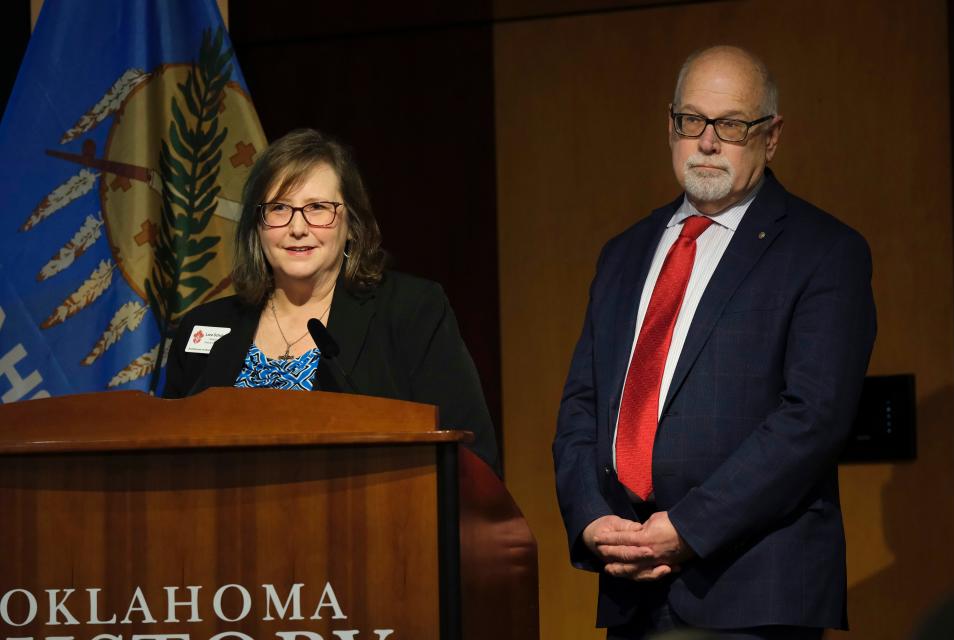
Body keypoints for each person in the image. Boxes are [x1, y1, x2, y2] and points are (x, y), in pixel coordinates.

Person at [553, 45, 876, 639]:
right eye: (691, 121)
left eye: (730, 124)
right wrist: (591, 517)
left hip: (753, 590)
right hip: (631, 589)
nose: (706, 141)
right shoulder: (624, 253)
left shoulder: (824, 251)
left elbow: (814, 419)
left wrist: (689, 528)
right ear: (669, 124)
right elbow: (582, 405)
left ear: (771, 136)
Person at [163, 128, 499, 474]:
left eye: (318, 208)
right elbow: (163, 457)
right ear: (257, 225)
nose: (297, 228)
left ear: (352, 224)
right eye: (279, 208)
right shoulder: (205, 327)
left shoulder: (410, 311)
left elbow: (472, 454)